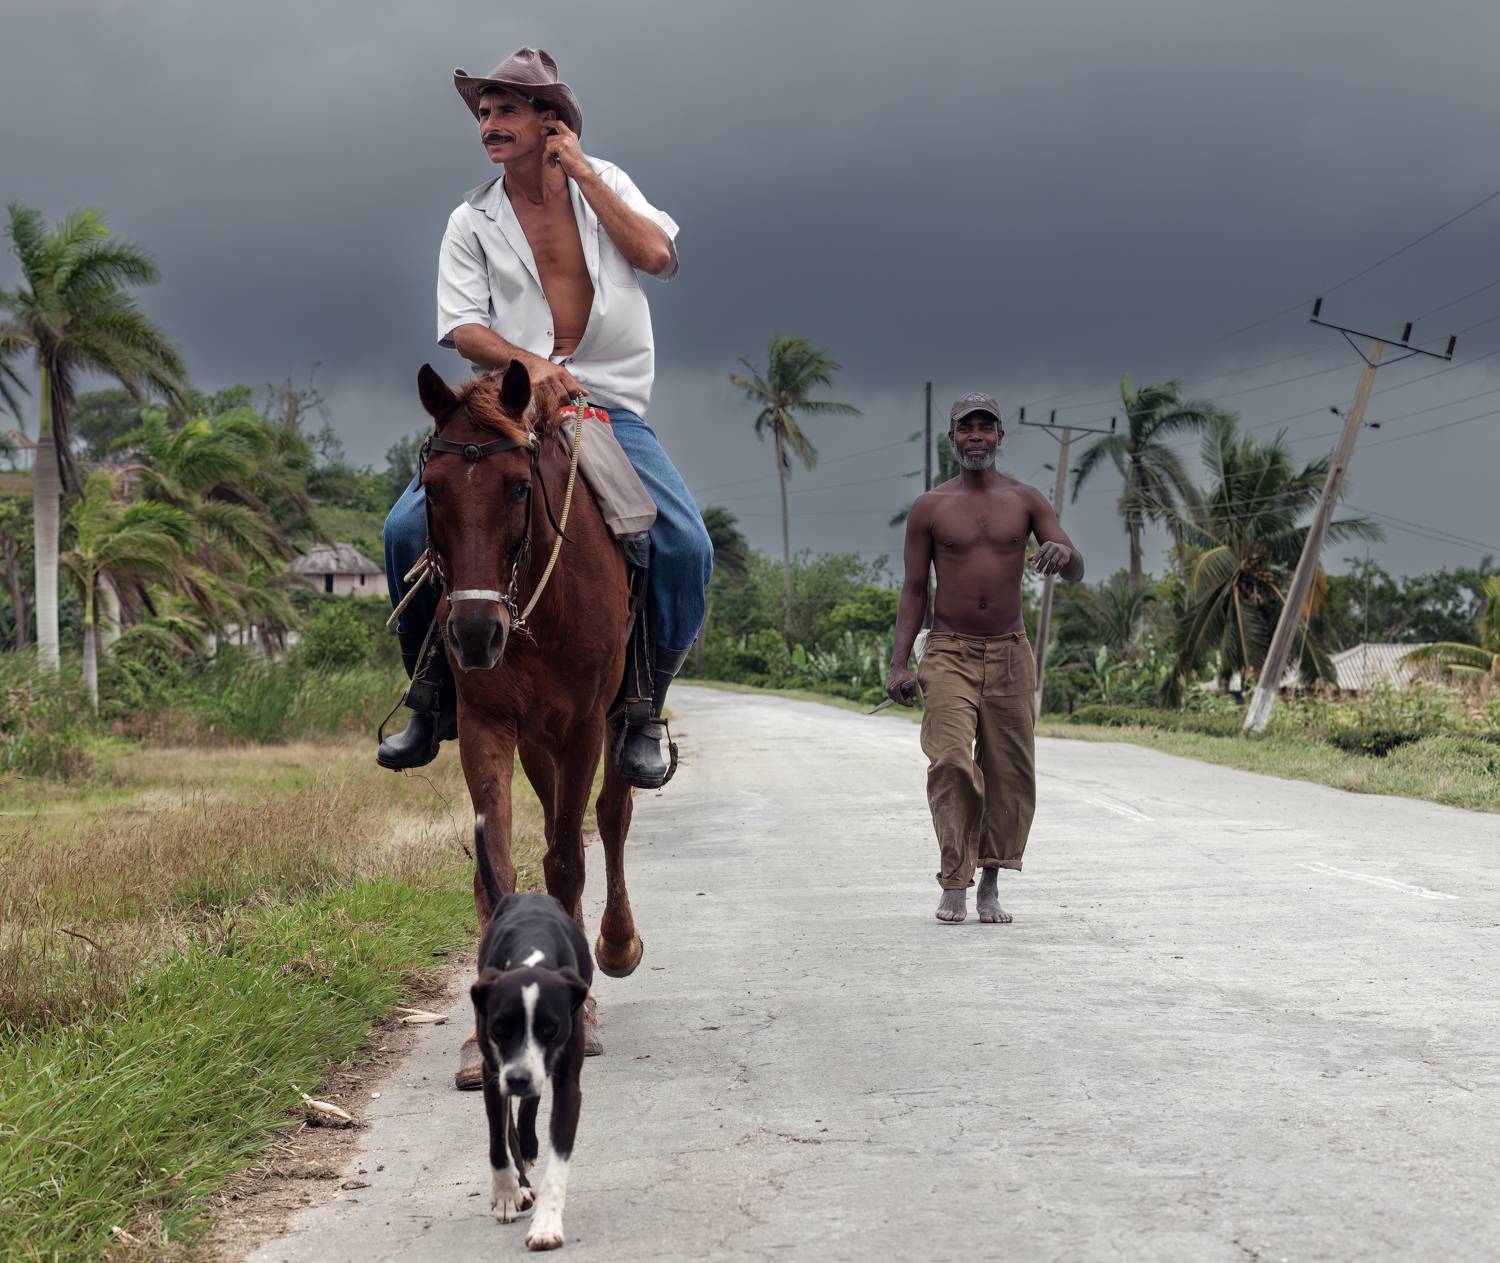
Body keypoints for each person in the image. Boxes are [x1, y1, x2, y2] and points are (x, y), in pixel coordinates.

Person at [378, 47, 713, 788]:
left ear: (549, 121)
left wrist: (585, 173)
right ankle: (429, 699)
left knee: (685, 545)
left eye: (506, 111)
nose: (489, 126)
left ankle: (643, 709)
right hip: (510, 406)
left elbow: (658, 254)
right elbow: (463, 330)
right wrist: (529, 367)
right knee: (404, 530)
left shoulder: (609, 184)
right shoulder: (470, 219)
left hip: (608, 407)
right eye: (484, 113)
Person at [886, 392, 1084, 923]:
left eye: (986, 427)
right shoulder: (930, 507)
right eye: (966, 428)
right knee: (950, 760)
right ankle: (954, 877)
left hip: (1011, 654)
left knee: (1009, 774)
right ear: (952, 439)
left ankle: (990, 881)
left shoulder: (1026, 500)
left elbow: (1075, 565)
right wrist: (899, 664)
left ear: (999, 437)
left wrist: (1065, 554)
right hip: (948, 650)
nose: (976, 436)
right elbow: (912, 590)